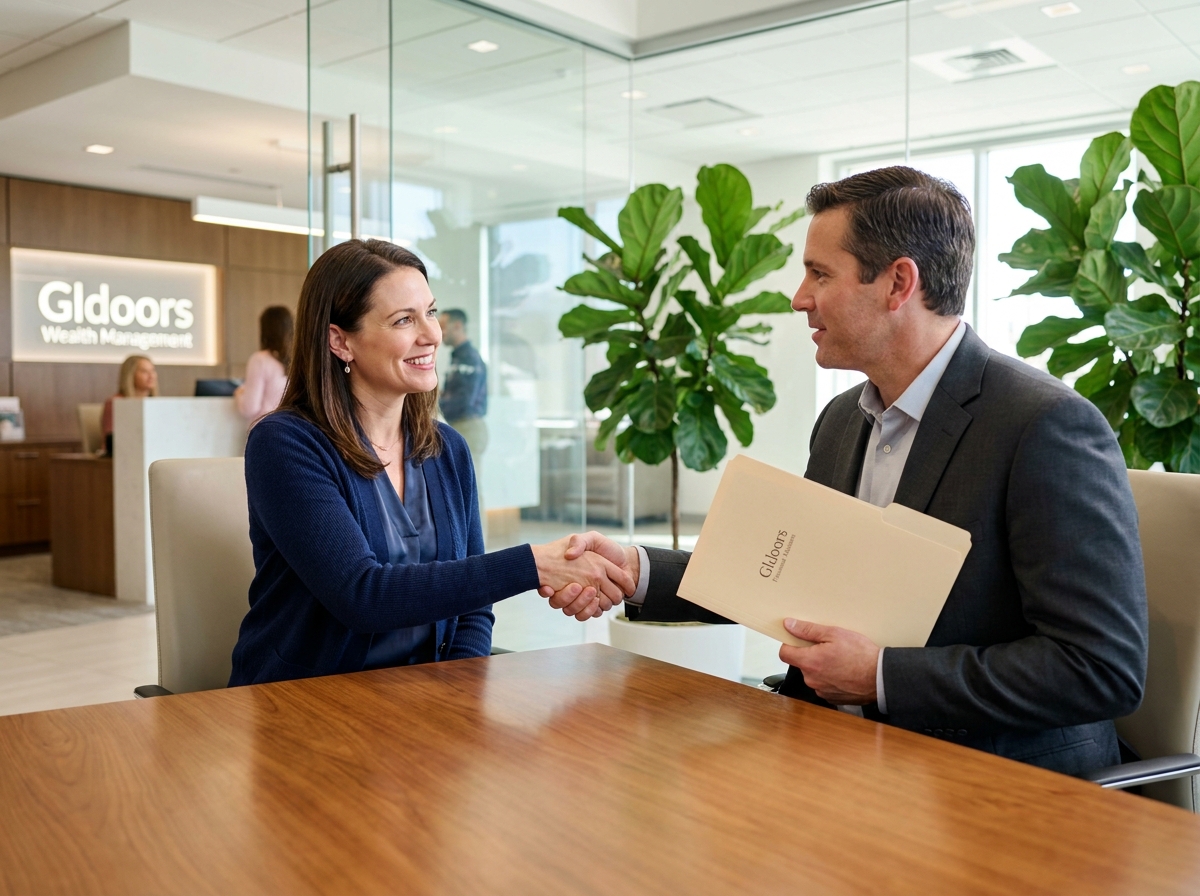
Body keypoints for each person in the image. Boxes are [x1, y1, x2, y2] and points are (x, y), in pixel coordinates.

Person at [545, 167, 1148, 777]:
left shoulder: (1045, 425)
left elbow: (1099, 668)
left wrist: (881, 675)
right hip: (838, 758)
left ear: (898, 283)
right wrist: (637, 570)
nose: (798, 297)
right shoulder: (842, 419)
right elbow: (792, 581)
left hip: (992, 782)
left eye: (819, 273)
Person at [228, 239, 632, 687]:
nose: (432, 335)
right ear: (339, 341)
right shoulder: (284, 444)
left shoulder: (448, 449)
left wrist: (453, 694)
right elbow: (361, 596)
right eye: (404, 320)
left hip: (424, 704)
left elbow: (474, 610)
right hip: (305, 706)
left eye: (432, 313)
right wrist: (534, 564)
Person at [437, 309, 488, 469]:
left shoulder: (469, 358)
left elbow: (464, 400)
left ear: (457, 326)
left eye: (443, 326)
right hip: (459, 425)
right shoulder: (458, 357)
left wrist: (436, 404)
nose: (439, 332)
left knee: (472, 490)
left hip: (468, 426)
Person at [235, 306, 292, 424]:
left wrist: (239, 394)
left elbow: (250, 407)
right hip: (292, 431)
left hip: (265, 430)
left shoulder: (259, 360)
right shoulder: (297, 359)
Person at [100, 354, 158, 455]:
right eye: (144, 371)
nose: (151, 376)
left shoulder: (156, 403)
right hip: (123, 458)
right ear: (130, 375)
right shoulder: (116, 402)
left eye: (152, 370)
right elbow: (111, 441)